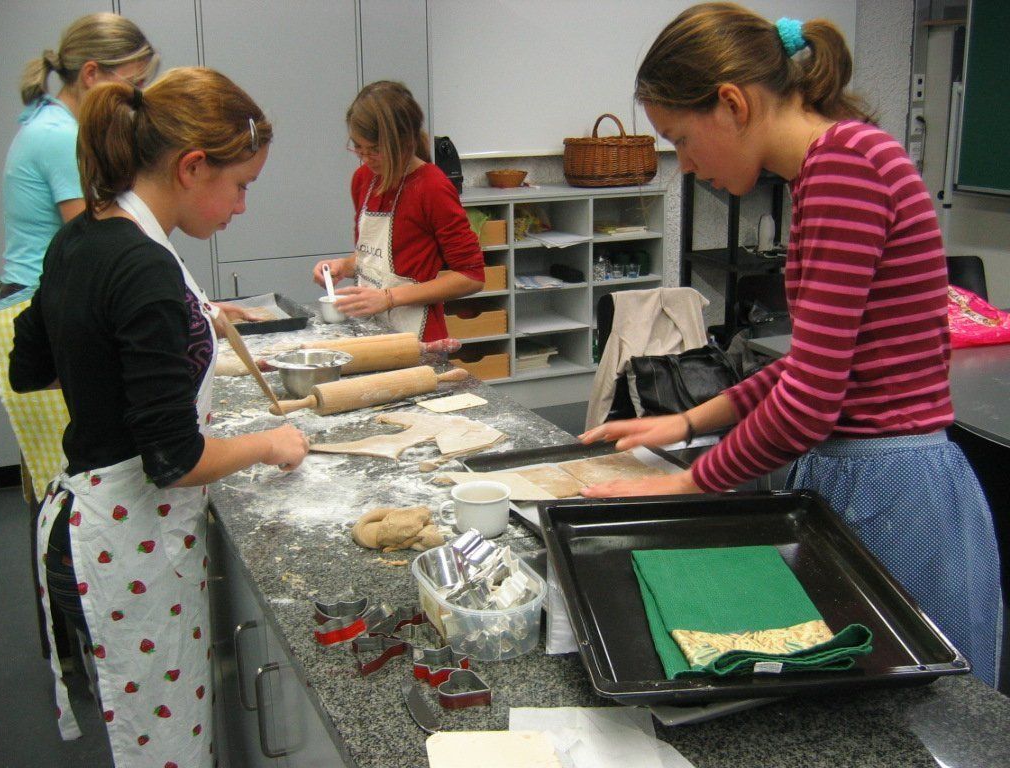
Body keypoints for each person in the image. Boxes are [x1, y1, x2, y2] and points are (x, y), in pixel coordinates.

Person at [579, 2, 1003, 687]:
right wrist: (687, 422)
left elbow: (810, 401)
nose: (685, 165)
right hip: (871, 474)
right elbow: (813, 367)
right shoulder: (835, 165)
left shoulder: (845, 171)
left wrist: (691, 482)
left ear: (732, 104)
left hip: (893, 491)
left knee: (908, 711)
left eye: (682, 138)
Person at [9, 67, 309, 766]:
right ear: (192, 166)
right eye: (241, 185)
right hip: (126, 540)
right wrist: (269, 443)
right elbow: (174, 460)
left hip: (82, 524)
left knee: (151, 734)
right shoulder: (143, 264)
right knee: (165, 748)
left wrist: (126, 358)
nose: (242, 208)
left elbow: (31, 365)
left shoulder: (83, 236)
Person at [0, 12, 157, 506]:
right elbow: (99, 241)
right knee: (72, 488)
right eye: (134, 84)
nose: (140, 98)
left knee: (61, 489)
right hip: (40, 314)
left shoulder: (48, 121)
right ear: (91, 74)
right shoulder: (61, 136)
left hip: (38, 305)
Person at [312, 80, 484, 341]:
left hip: (417, 337)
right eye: (359, 148)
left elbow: (471, 277)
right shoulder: (363, 179)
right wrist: (343, 267)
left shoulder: (432, 187)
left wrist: (389, 298)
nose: (365, 158)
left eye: (375, 150)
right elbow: (377, 258)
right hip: (371, 329)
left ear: (404, 142)